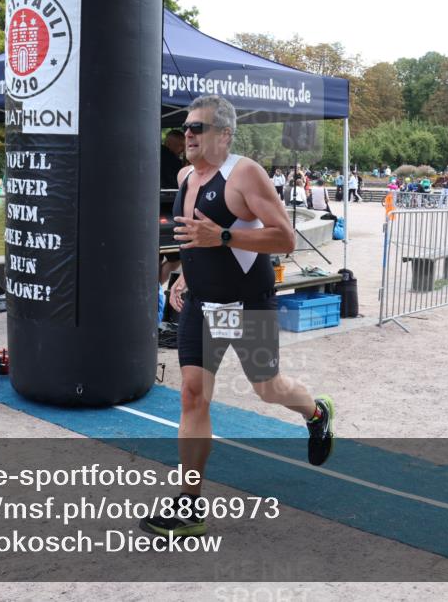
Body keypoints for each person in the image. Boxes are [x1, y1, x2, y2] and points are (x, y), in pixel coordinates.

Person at [142, 95, 335, 538]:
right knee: (193, 395)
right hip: (202, 304)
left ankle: (315, 412)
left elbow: (285, 238)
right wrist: (181, 278)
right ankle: (189, 507)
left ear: (224, 135)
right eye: (186, 127)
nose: (187, 134)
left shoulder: (245, 173)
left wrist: (225, 235)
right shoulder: (185, 175)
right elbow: (194, 239)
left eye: (198, 128)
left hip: (244, 303)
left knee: (267, 387)